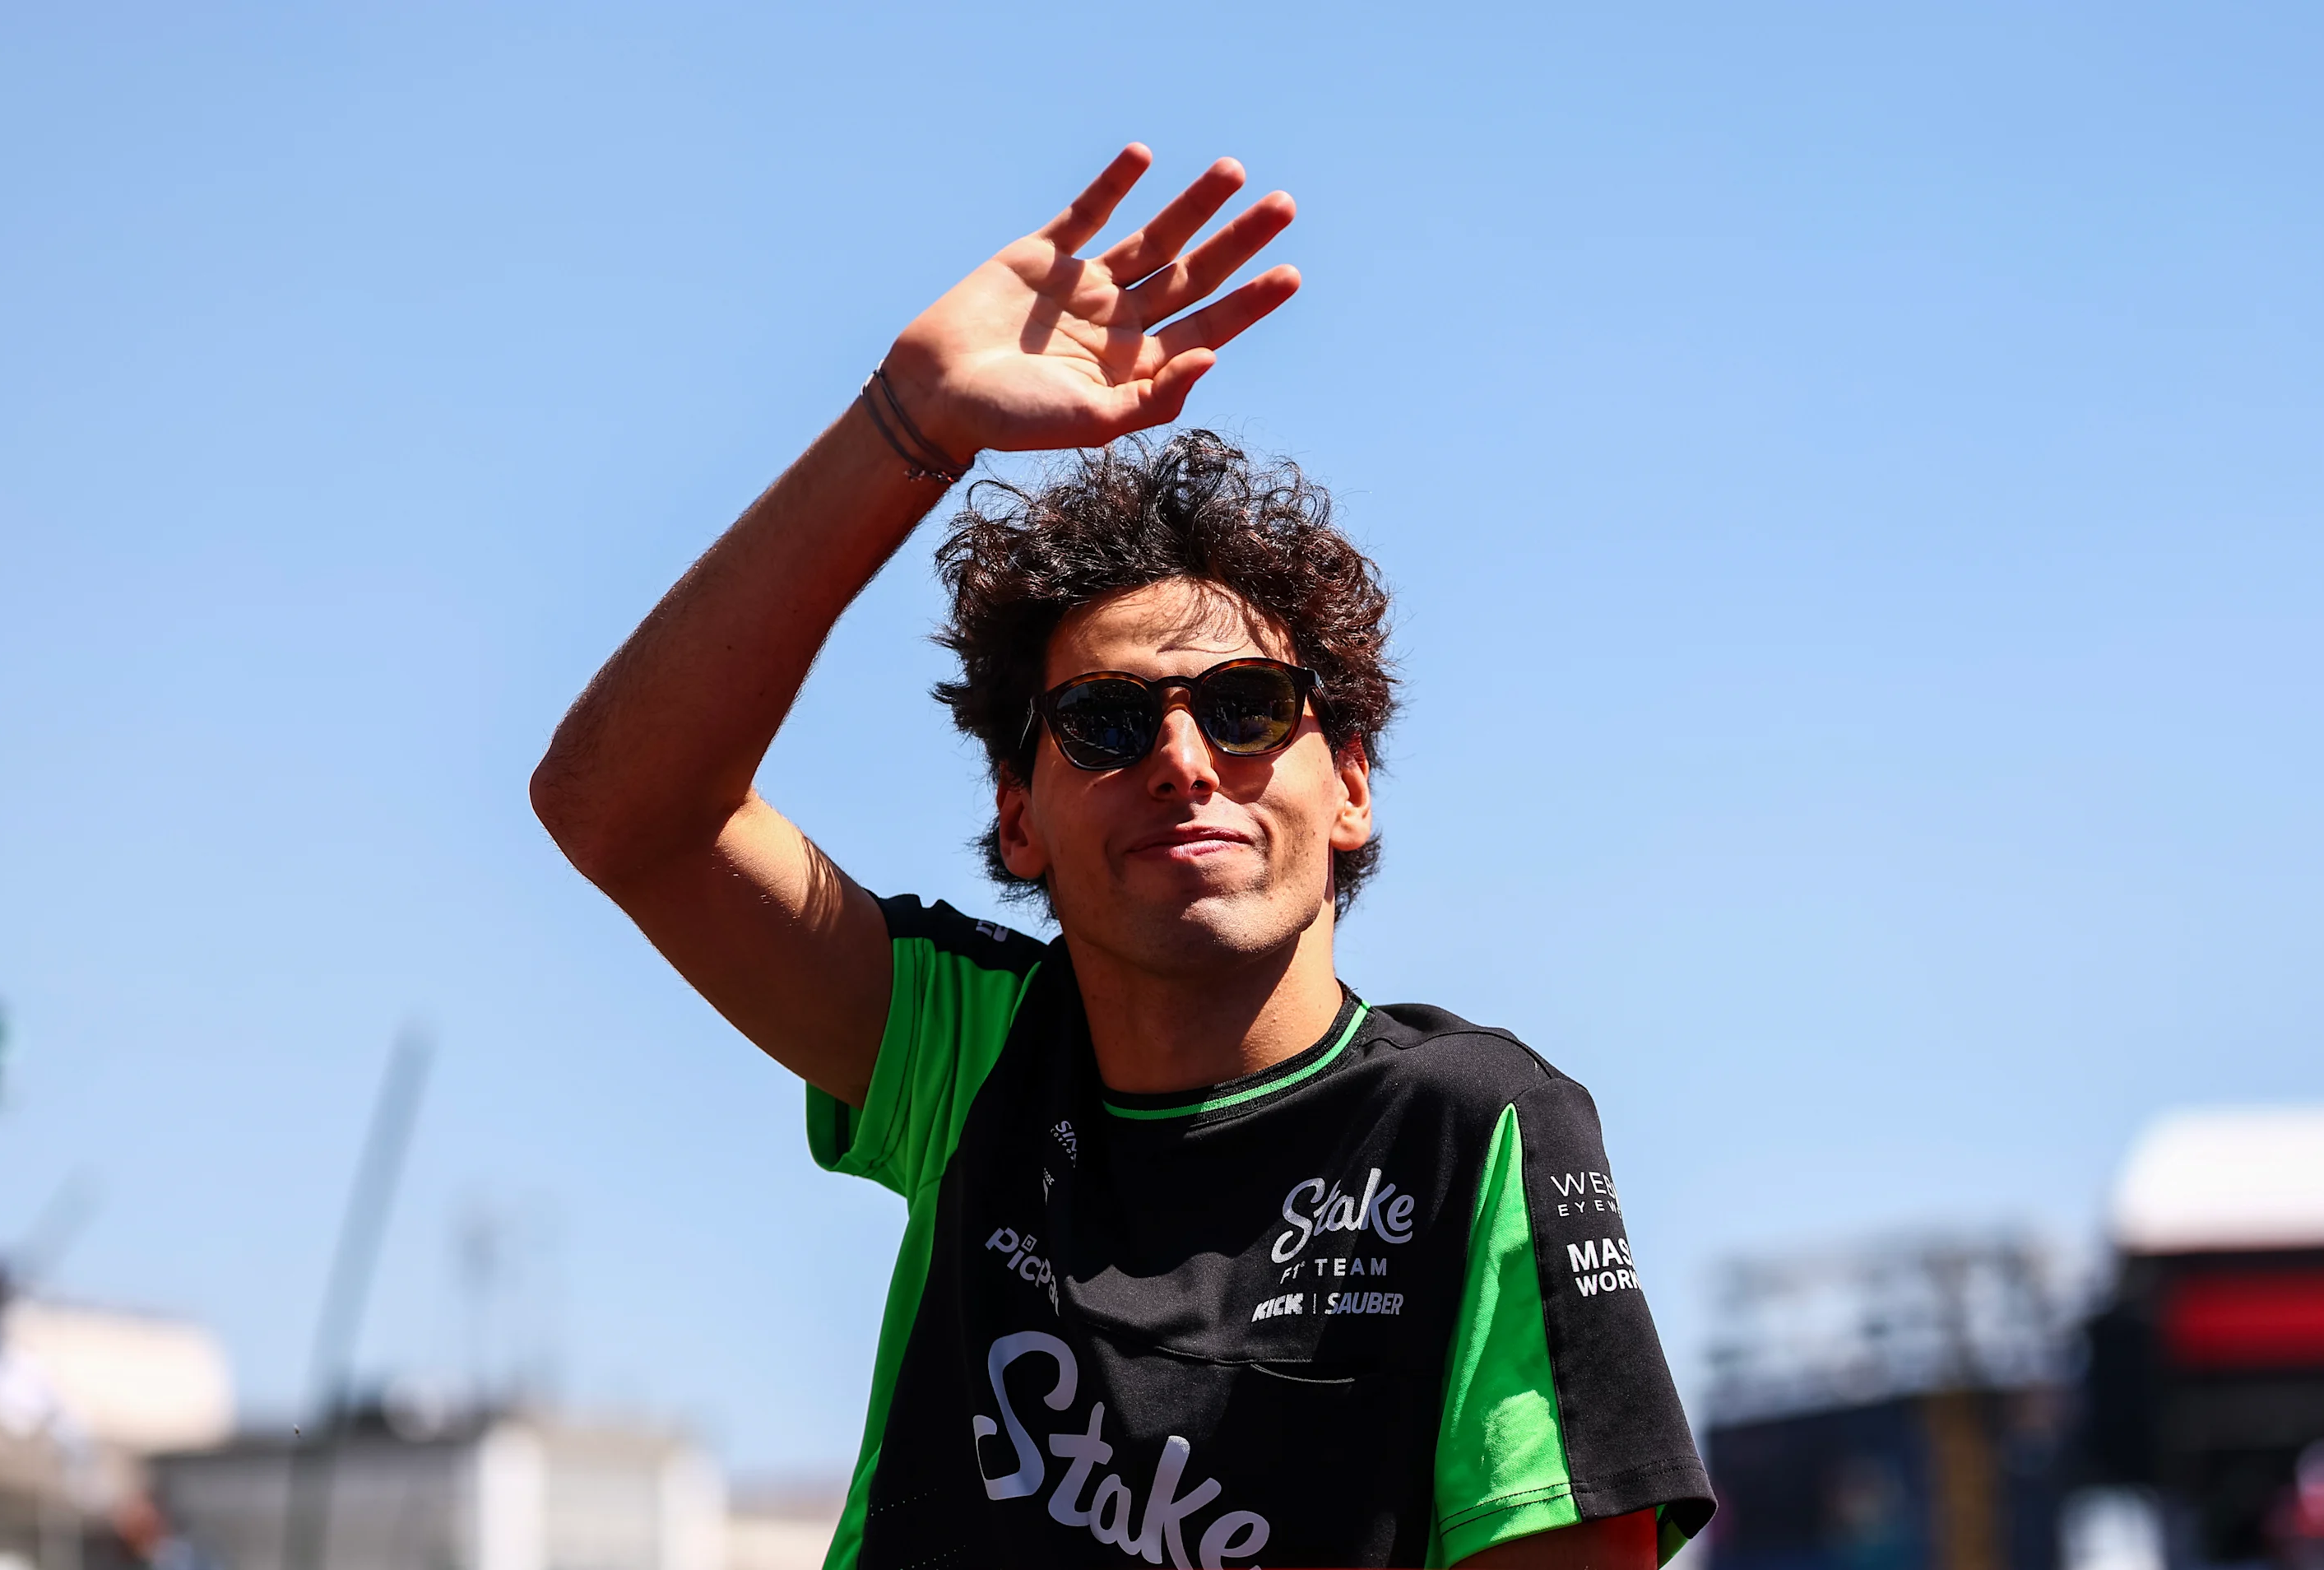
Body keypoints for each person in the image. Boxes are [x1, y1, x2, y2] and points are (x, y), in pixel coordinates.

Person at [531, 146, 1713, 1569]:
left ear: (1348, 785)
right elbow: (621, 810)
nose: (1182, 758)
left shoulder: (1477, 1127)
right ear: (1018, 816)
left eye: (1244, 707)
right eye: (1100, 721)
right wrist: (907, 422)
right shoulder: (973, 1057)